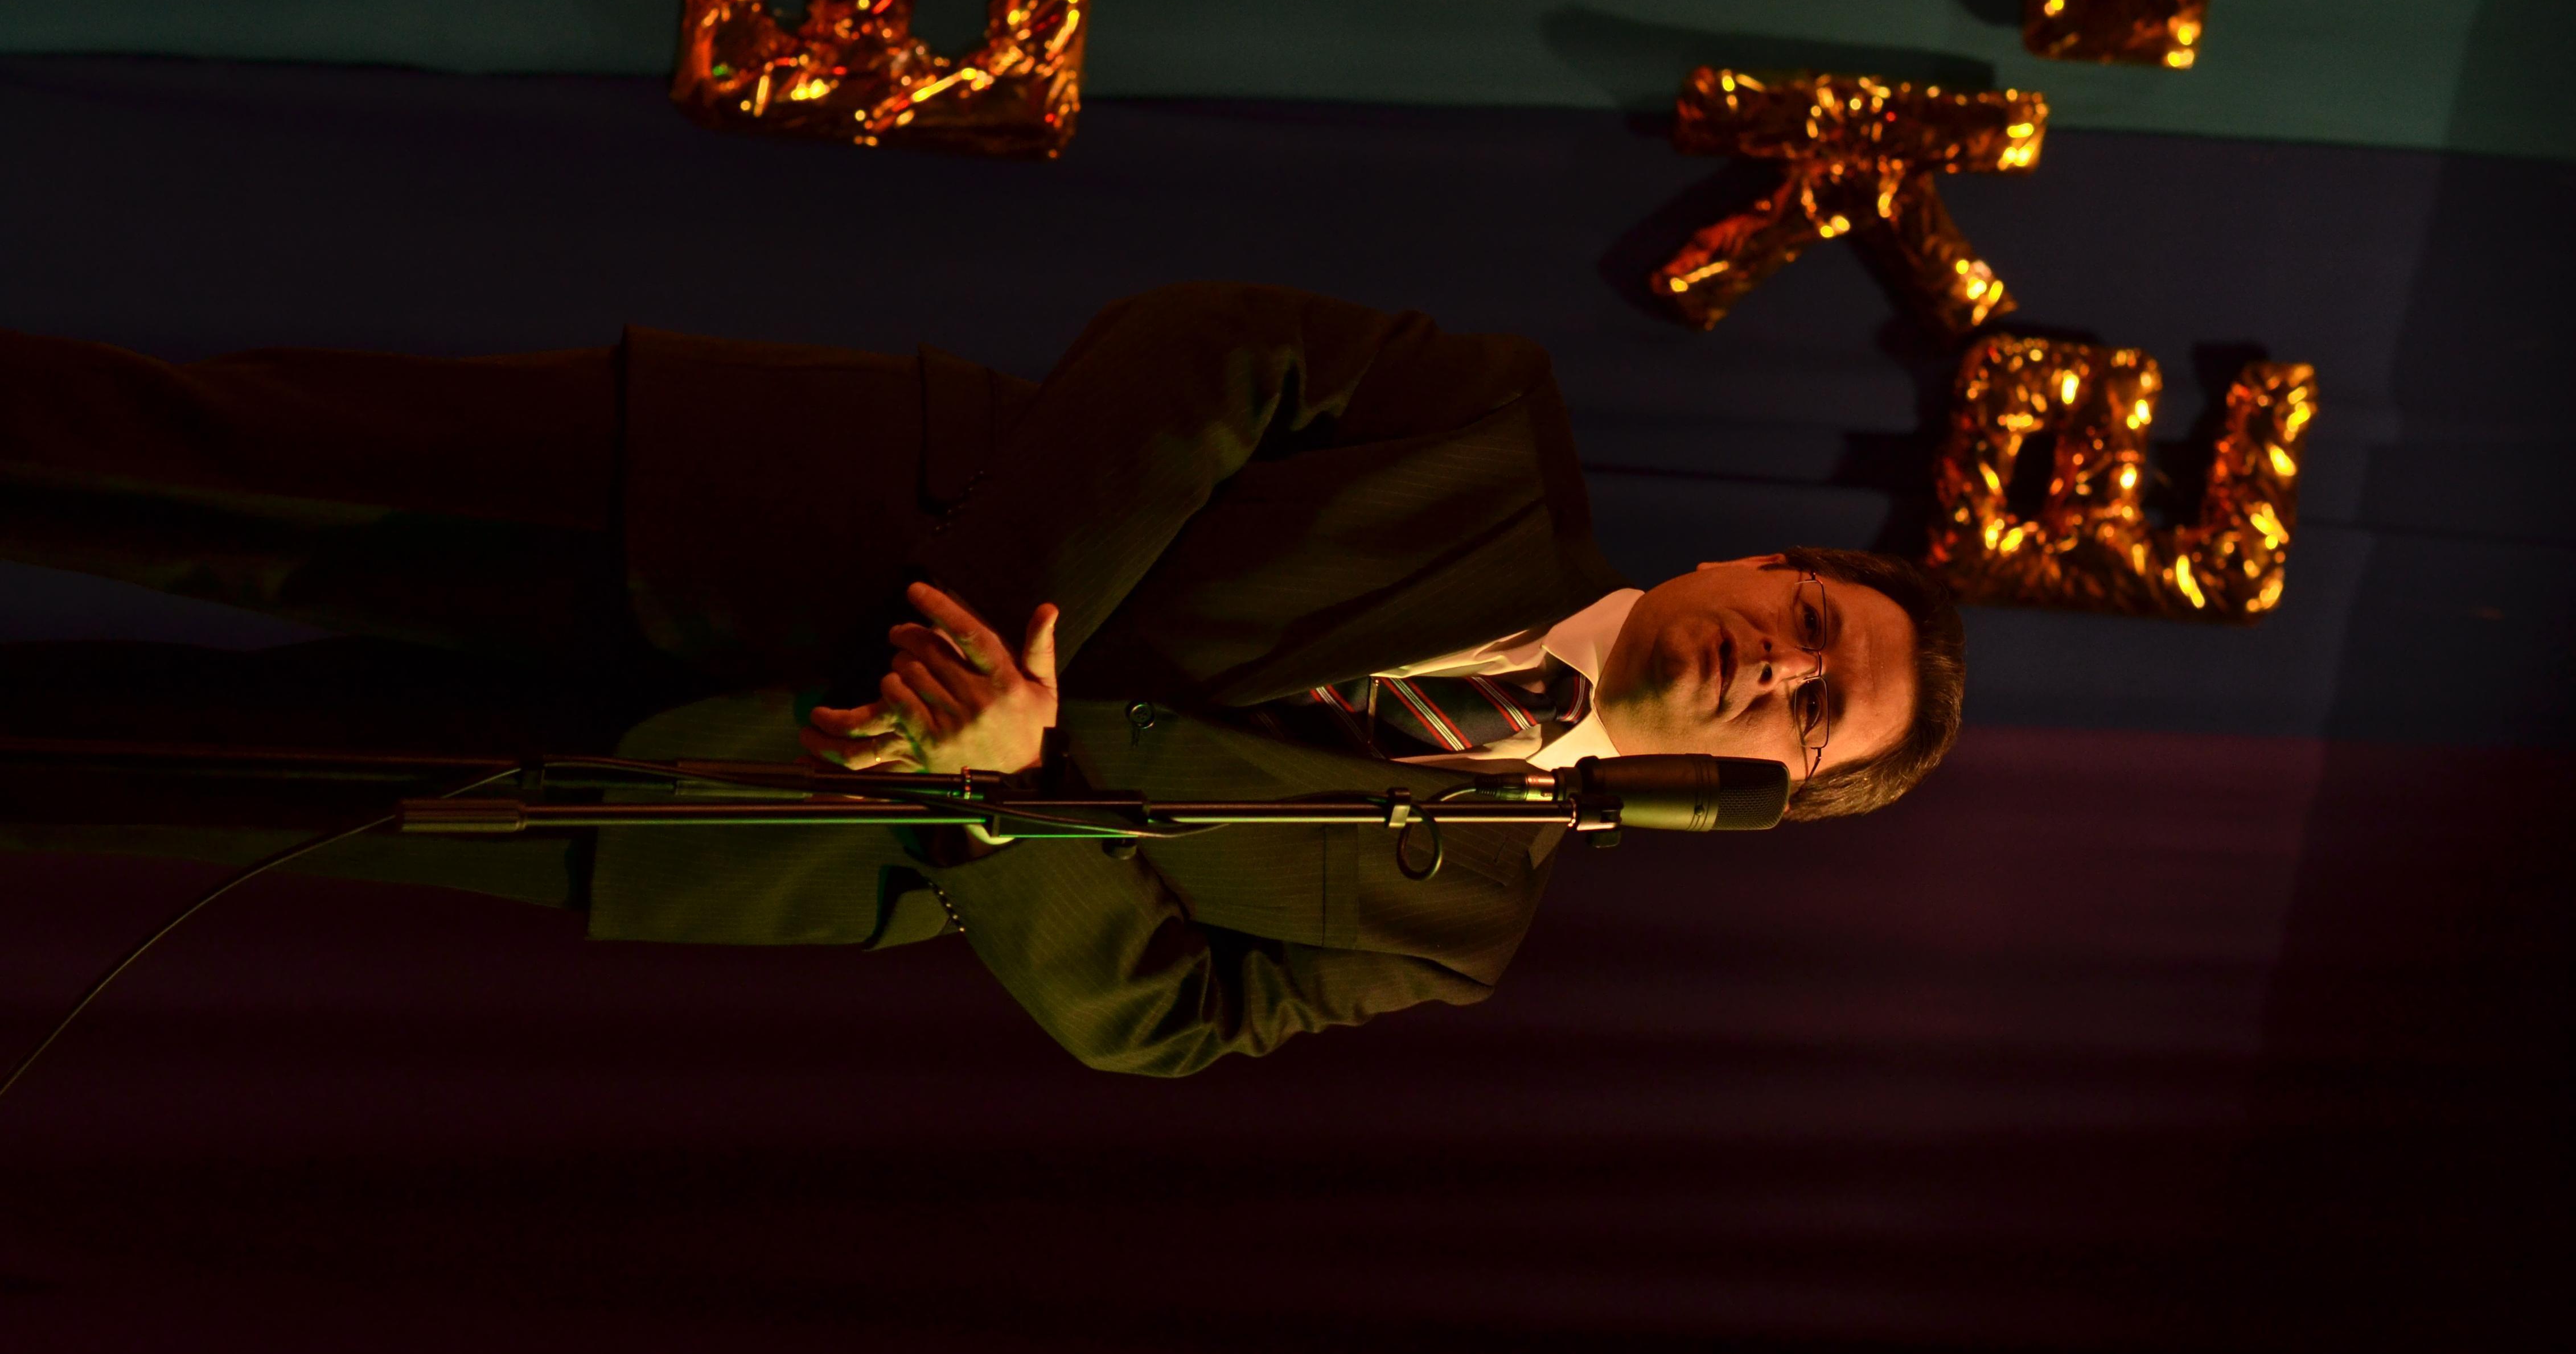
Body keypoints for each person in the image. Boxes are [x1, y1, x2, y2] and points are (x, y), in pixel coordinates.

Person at [0, 284, 1964, 1073]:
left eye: (1817, 712)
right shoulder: (1488, 428)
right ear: (1755, 561)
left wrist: (998, 789)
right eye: (1814, 616)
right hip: (730, 501)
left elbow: (1160, 1023)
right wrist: (993, 644)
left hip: (741, 808)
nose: (1780, 665)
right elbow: (1203, 360)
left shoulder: (1446, 932)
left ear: (1768, 794)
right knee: (199, 468)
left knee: (179, 775)